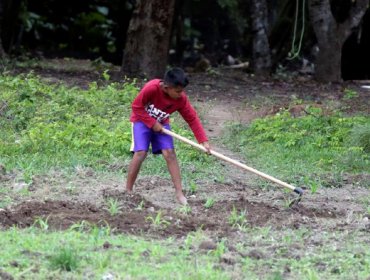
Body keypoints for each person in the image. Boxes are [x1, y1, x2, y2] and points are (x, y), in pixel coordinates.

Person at [126, 67, 210, 205]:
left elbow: (192, 119)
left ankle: (179, 193)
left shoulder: (181, 99)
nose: (180, 94)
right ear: (166, 87)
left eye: (182, 90)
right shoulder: (151, 88)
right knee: (140, 152)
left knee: (170, 153)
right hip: (141, 121)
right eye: (177, 91)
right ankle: (128, 191)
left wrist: (203, 141)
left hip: (161, 124)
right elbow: (136, 107)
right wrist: (152, 123)